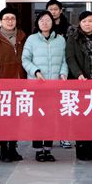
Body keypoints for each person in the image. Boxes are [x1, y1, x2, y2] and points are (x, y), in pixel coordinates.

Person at [22, 11, 68, 162]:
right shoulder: (31, 39)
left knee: (51, 118)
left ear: (52, 22)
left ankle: (48, 149)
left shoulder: (60, 40)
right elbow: (25, 59)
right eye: (41, 20)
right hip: (36, 85)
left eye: (47, 20)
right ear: (37, 23)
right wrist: (35, 71)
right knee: (37, 118)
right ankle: (38, 150)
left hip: (54, 86)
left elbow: (64, 60)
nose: (45, 23)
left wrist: (63, 73)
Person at [65, 11, 92, 161]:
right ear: (80, 23)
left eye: (90, 21)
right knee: (80, 117)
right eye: (84, 21)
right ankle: (81, 147)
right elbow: (70, 58)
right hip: (79, 82)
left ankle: (89, 146)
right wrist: (78, 74)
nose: (87, 24)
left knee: (91, 116)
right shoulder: (73, 37)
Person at [0, 7, 28, 162]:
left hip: (20, 83)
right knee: (3, 119)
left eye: (12, 18)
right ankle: (4, 150)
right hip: (2, 84)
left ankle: (13, 148)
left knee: (16, 118)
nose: (10, 21)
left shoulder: (22, 37)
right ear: (0, 21)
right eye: (6, 19)